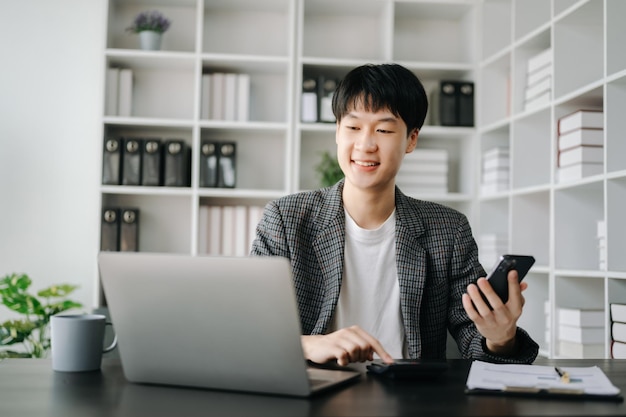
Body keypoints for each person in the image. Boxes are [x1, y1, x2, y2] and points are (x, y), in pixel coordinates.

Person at [251, 63, 539, 366]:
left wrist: (500, 337)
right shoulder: (285, 220)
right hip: (314, 395)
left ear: (411, 140)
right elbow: (250, 327)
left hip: (411, 400)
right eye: (352, 127)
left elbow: (474, 339)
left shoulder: (448, 231)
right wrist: (307, 345)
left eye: (384, 130)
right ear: (337, 132)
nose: (365, 144)